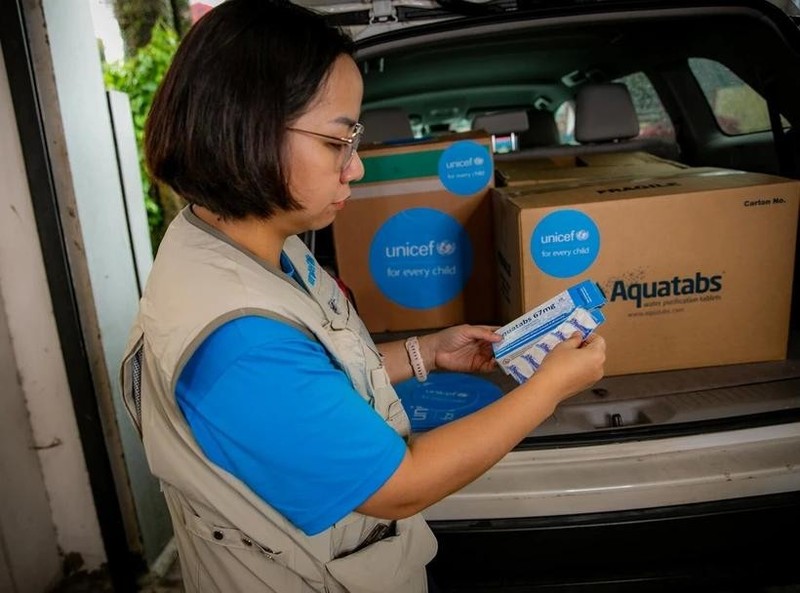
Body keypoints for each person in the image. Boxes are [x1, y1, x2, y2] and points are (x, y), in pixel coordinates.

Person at [119, 0, 606, 591]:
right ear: (245, 126)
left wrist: (427, 353)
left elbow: (318, 372)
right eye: (336, 142)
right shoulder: (239, 345)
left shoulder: (251, 239)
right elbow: (400, 486)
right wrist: (549, 387)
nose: (356, 170)